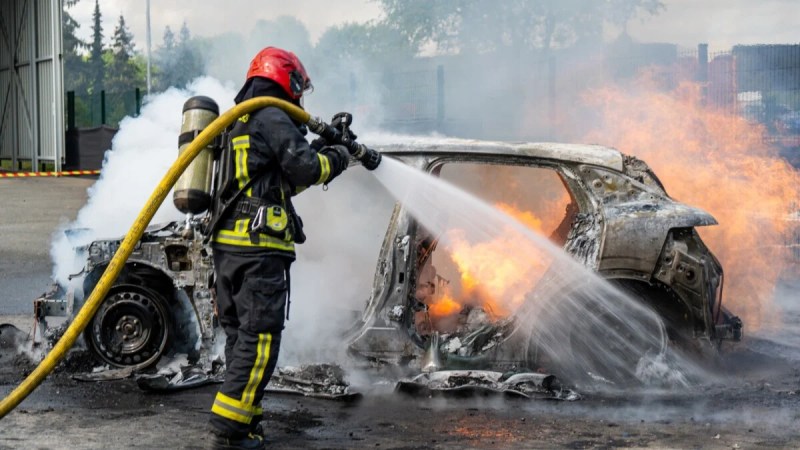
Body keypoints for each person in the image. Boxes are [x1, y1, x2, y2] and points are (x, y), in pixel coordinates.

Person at [207, 47, 351, 450]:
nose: (301, 101)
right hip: (258, 252)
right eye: (299, 90)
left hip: (230, 250)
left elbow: (282, 181)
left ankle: (243, 417)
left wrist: (326, 152)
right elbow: (305, 169)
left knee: (241, 337)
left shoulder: (241, 121)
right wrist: (338, 156)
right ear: (287, 82)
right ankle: (231, 426)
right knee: (261, 339)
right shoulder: (271, 116)